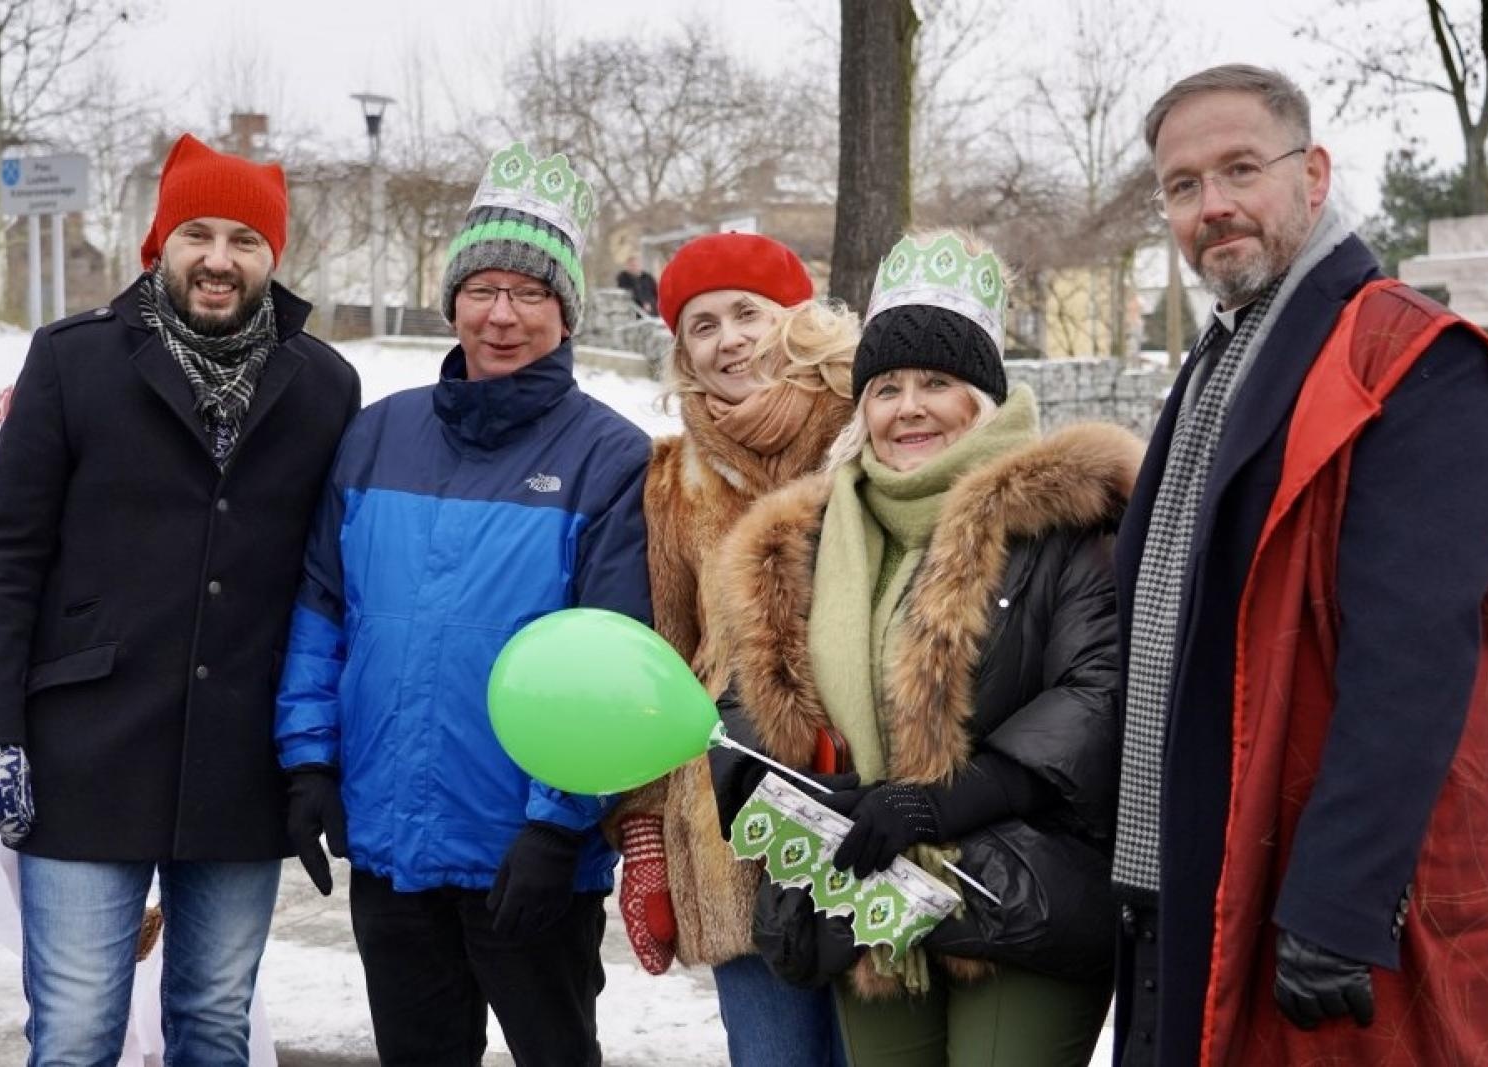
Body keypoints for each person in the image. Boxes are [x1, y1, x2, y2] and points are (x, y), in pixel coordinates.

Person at [1110, 64, 1488, 1065]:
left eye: (1238, 169)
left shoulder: (1414, 360)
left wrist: (1340, 898)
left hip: (1304, 908)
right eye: (1182, 186)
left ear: (1311, 173)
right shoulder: (1219, 355)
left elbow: (1413, 652)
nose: (1211, 205)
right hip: (1177, 880)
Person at [706, 230, 1138, 1066]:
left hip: (1020, 894)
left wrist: (944, 802)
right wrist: (794, 783)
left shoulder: (1070, 516)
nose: (908, 408)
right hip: (870, 896)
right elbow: (746, 697)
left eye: (937, 382)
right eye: (887, 386)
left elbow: (1099, 692)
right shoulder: (810, 534)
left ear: (981, 395)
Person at [0, 132, 360, 1065]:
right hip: (84, 755)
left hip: (239, 763)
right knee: (73, 1031)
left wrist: (317, 754)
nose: (220, 260)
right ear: (161, 242)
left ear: (274, 256)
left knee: (214, 1022)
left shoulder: (325, 387)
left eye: (245, 239)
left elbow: (328, 580)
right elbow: (5, 558)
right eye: (198, 233)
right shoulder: (73, 361)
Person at [275, 141, 651, 1067]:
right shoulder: (377, 437)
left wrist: (558, 824)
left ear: (564, 312)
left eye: (530, 294)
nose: (503, 315)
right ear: (453, 301)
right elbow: (325, 608)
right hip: (394, 842)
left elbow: (607, 657)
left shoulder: (610, 458)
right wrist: (309, 761)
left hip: (524, 857)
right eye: (483, 289)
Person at [607, 232, 860, 1065]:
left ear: (795, 321)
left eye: (748, 313)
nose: (730, 340)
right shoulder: (673, 479)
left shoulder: (871, 436)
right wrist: (643, 832)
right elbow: (662, 660)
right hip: (729, 822)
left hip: (870, 805)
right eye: (703, 325)